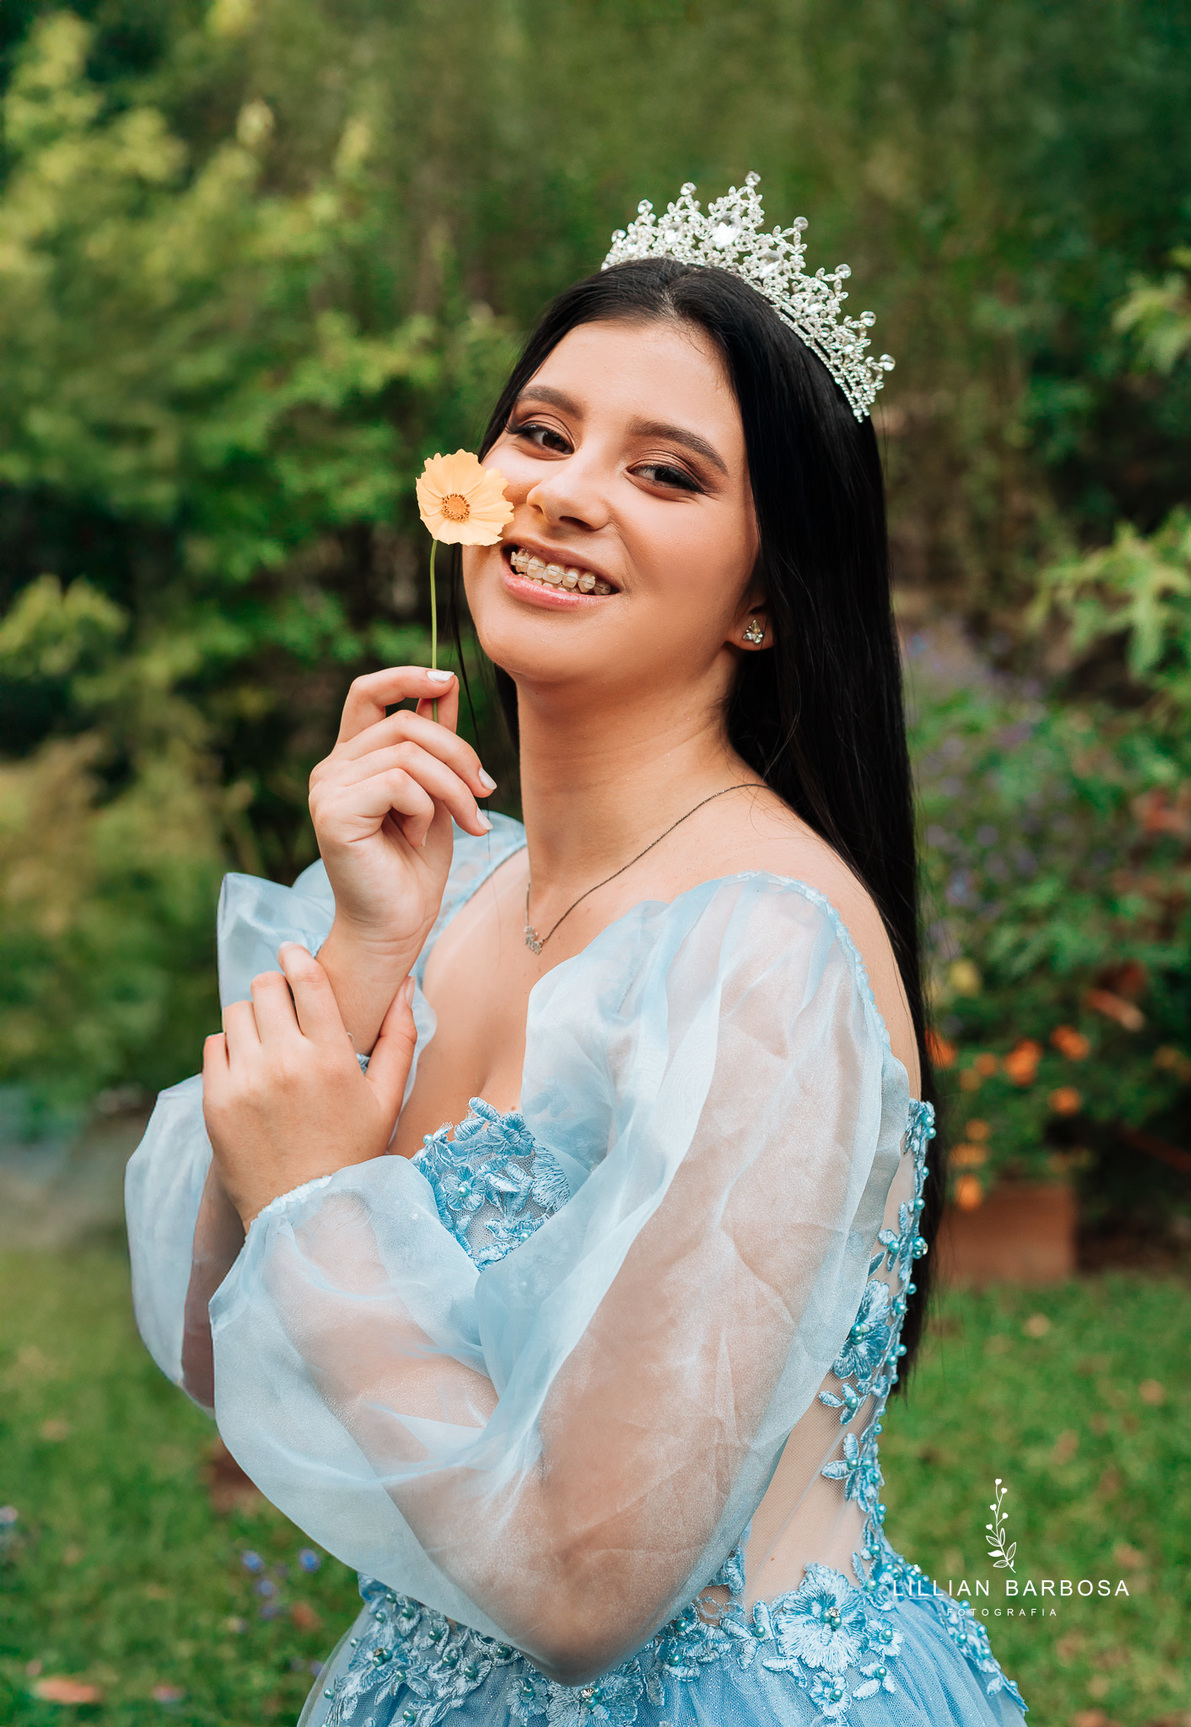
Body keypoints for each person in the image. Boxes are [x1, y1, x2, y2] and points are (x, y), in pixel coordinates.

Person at [126, 179, 1026, 1725]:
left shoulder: (763, 953)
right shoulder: (451, 891)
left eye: (665, 473)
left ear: (764, 595)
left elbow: (587, 1584)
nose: (560, 491)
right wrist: (357, 953)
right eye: (540, 436)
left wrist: (317, 1190)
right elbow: (235, 1355)